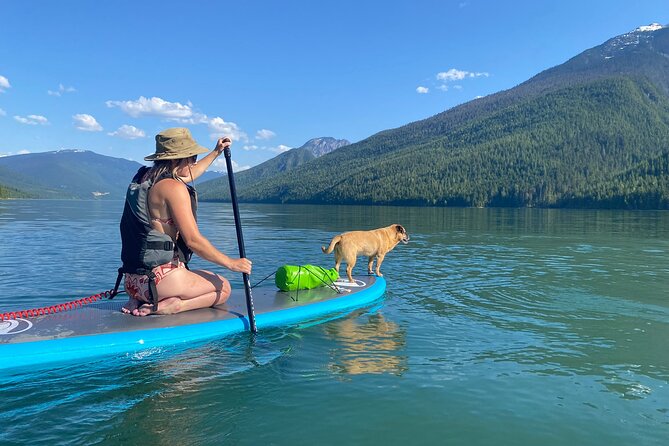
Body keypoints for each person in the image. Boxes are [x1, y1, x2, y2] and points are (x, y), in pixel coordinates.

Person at [118, 127, 252, 316]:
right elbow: (193, 241)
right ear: (175, 159)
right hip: (160, 283)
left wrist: (216, 152)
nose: (193, 162)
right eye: (191, 157)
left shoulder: (144, 178)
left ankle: (141, 299)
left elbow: (188, 173)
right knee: (224, 288)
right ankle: (173, 306)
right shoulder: (174, 188)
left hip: (133, 283)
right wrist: (232, 263)